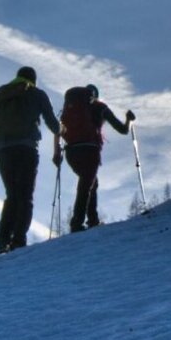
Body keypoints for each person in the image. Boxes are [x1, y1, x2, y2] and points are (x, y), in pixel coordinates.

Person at [0, 66, 60, 253]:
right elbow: (52, 123)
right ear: (33, 80)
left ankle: (2, 239)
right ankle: (18, 240)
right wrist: (62, 131)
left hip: (3, 149)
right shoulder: (37, 94)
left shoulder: (2, 96)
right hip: (26, 148)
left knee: (12, 194)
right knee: (26, 195)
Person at [54, 84, 135, 233]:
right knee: (86, 184)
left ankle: (92, 220)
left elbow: (58, 129)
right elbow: (123, 130)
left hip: (71, 152)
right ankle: (77, 223)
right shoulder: (100, 107)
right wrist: (129, 120)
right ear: (95, 96)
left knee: (91, 182)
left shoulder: (70, 108)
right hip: (90, 150)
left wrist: (56, 152)